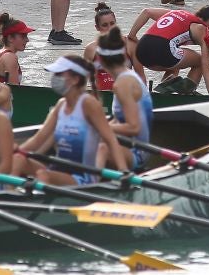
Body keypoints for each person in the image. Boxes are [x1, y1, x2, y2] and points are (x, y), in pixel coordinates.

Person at [13, 56, 131, 185]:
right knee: (17, 159)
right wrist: (14, 151)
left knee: (42, 175)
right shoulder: (61, 105)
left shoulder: (89, 104)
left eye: (59, 74)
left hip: (82, 175)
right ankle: (5, 196)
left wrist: (123, 170)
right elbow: (38, 139)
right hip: (59, 168)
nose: (55, 78)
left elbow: (110, 139)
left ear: (75, 79)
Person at [128, 2, 209, 96]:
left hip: (141, 51)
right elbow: (207, 68)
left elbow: (146, 12)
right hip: (162, 50)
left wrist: (132, 35)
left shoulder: (175, 13)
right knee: (199, 61)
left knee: (177, 60)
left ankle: (166, 86)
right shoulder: (202, 29)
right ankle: (186, 93)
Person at [95, 24, 153, 168]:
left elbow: (134, 128)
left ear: (100, 60)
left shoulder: (123, 84)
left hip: (136, 153)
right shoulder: (127, 76)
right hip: (124, 146)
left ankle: (88, 184)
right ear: (123, 55)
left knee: (94, 147)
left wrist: (99, 127)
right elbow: (118, 120)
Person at [0, 13, 33, 85]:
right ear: (10, 38)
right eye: (23, 36)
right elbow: (14, 90)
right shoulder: (10, 57)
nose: (27, 40)